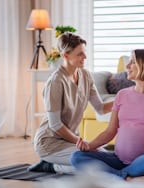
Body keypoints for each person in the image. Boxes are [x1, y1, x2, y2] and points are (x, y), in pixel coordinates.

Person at [71, 49, 144, 182]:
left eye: (132, 62)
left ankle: (117, 176)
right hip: (119, 160)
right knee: (77, 157)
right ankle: (128, 178)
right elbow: (110, 131)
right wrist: (89, 145)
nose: (127, 66)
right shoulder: (122, 95)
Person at [28, 32, 113, 174]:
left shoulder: (86, 75)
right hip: (50, 142)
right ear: (65, 56)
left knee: (108, 158)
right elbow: (55, 125)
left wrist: (124, 99)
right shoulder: (56, 82)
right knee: (96, 166)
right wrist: (81, 142)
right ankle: (50, 165)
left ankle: (55, 163)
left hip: (69, 141)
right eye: (80, 54)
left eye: (84, 53)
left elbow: (100, 108)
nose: (85, 57)